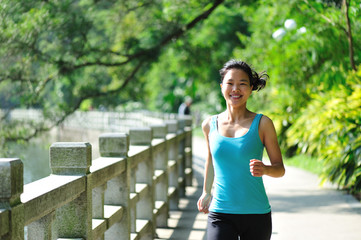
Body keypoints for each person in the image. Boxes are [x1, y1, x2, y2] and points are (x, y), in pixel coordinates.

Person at [197, 59, 285, 240]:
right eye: (230, 83)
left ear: (251, 88)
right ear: (222, 87)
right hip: (220, 212)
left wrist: (266, 169)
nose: (235, 89)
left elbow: (280, 169)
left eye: (242, 84)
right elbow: (211, 160)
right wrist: (206, 192)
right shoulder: (209, 125)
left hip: (256, 213)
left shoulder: (263, 124)